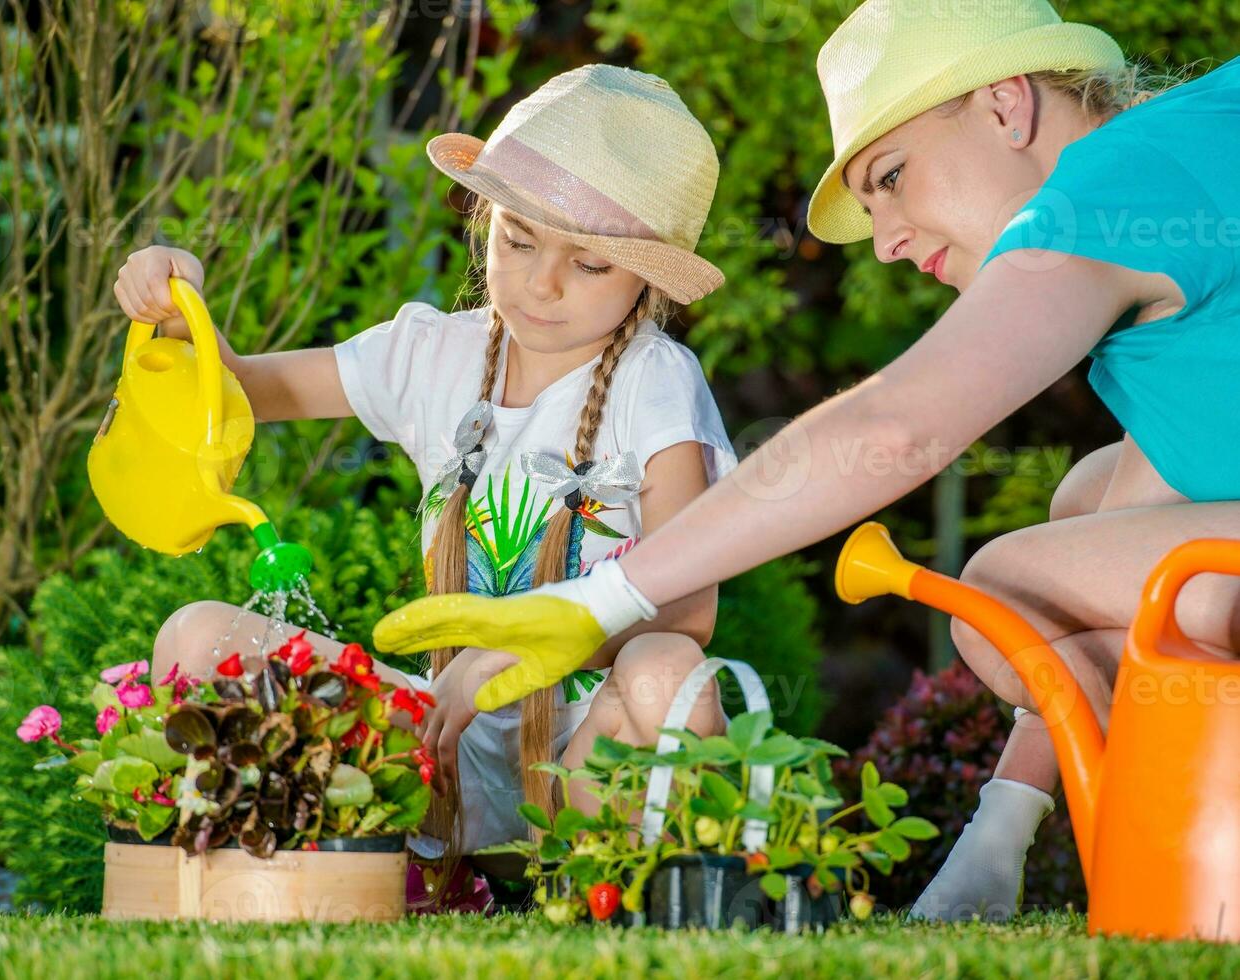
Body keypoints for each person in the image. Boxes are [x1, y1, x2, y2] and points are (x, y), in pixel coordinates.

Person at [372, 1, 1240, 921]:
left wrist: (598, 600)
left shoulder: (1111, 182)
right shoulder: (1183, 180)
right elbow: (1118, 543)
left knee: (1001, 595)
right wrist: (997, 834)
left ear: (1005, 107)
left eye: (893, 178)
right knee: (1087, 505)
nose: (892, 239)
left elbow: (898, 427)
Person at [117, 64, 736, 905]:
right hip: (437, 739)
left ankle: (621, 899)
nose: (541, 283)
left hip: (584, 758)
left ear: (647, 278)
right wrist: (173, 299)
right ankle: (323, 886)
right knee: (198, 639)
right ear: (485, 221)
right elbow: (233, 386)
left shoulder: (655, 380)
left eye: (588, 263)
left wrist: (511, 652)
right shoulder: (433, 354)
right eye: (517, 240)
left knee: (664, 667)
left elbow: (687, 607)